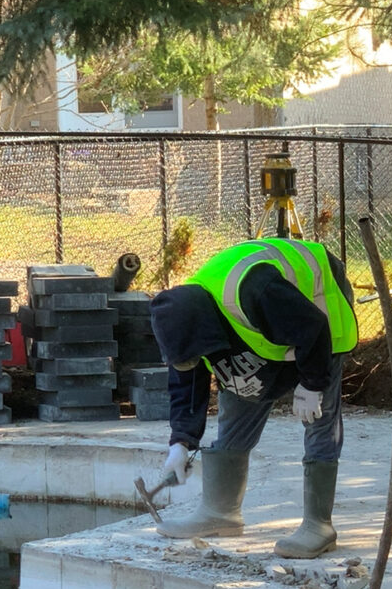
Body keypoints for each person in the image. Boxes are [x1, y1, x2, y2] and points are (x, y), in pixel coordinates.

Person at [150, 237, 358, 558]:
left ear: (206, 333)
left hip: (316, 307)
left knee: (319, 416)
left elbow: (312, 326)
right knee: (239, 389)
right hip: (269, 325)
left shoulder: (251, 290)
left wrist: (312, 384)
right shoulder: (185, 319)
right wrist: (181, 442)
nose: (190, 363)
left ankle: (319, 525)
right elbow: (187, 382)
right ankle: (220, 513)